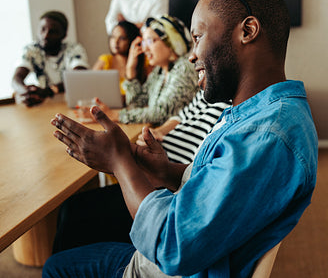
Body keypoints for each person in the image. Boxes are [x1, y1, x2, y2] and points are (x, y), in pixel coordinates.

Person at [44, 0, 318, 278]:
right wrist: (168, 172)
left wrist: (119, 163)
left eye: (198, 38)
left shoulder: (267, 135)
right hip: (190, 260)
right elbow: (223, 186)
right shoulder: (262, 114)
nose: (191, 55)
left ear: (247, 31)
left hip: (174, 275)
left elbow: (173, 247)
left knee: (57, 268)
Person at [51, 90, 230, 254]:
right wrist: (161, 168)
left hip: (169, 193)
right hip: (166, 171)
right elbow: (180, 116)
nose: (193, 56)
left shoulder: (234, 121)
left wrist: (119, 161)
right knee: (70, 208)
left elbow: (172, 240)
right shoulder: (214, 90)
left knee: (72, 218)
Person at [96, 15, 199, 126]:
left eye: (150, 41)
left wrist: (115, 115)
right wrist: (130, 72)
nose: (144, 49)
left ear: (171, 41)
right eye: (144, 43)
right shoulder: (158, 71)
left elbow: (160, 113)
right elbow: (136, 106)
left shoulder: (185, 68)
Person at [12, 10, 89, 107]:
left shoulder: (74, 49)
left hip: (69, 104)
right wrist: (26, 92)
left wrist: (49, 91)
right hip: (43, 106)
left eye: (53, 32)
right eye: (42, 29)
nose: (46, 35)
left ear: (64, 34)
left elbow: (79, 76)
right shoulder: (31, 50)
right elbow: (16, 79)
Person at [93, 20, 149, 96]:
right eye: (113, 37)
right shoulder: (105, 60)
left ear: (132, 39)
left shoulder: (145, 62)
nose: (115, 42)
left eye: (122, 38)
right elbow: (90, 87)